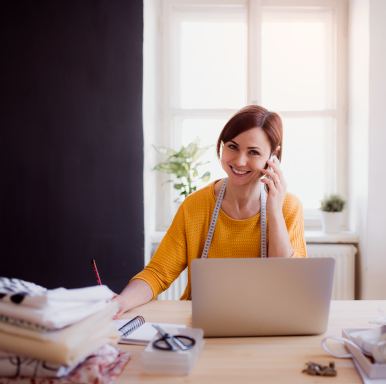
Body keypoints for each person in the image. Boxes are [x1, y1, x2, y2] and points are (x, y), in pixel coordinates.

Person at [113, 105, 306, 317]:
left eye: (254, 152)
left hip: (264, 321)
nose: (240, 161)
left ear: (273, 156)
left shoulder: (288, 207)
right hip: (203, 322)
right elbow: (158, 273)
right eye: (233, 147)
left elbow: (288, 285)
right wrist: (120, 302)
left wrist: (275, 213)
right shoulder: (195, 206)